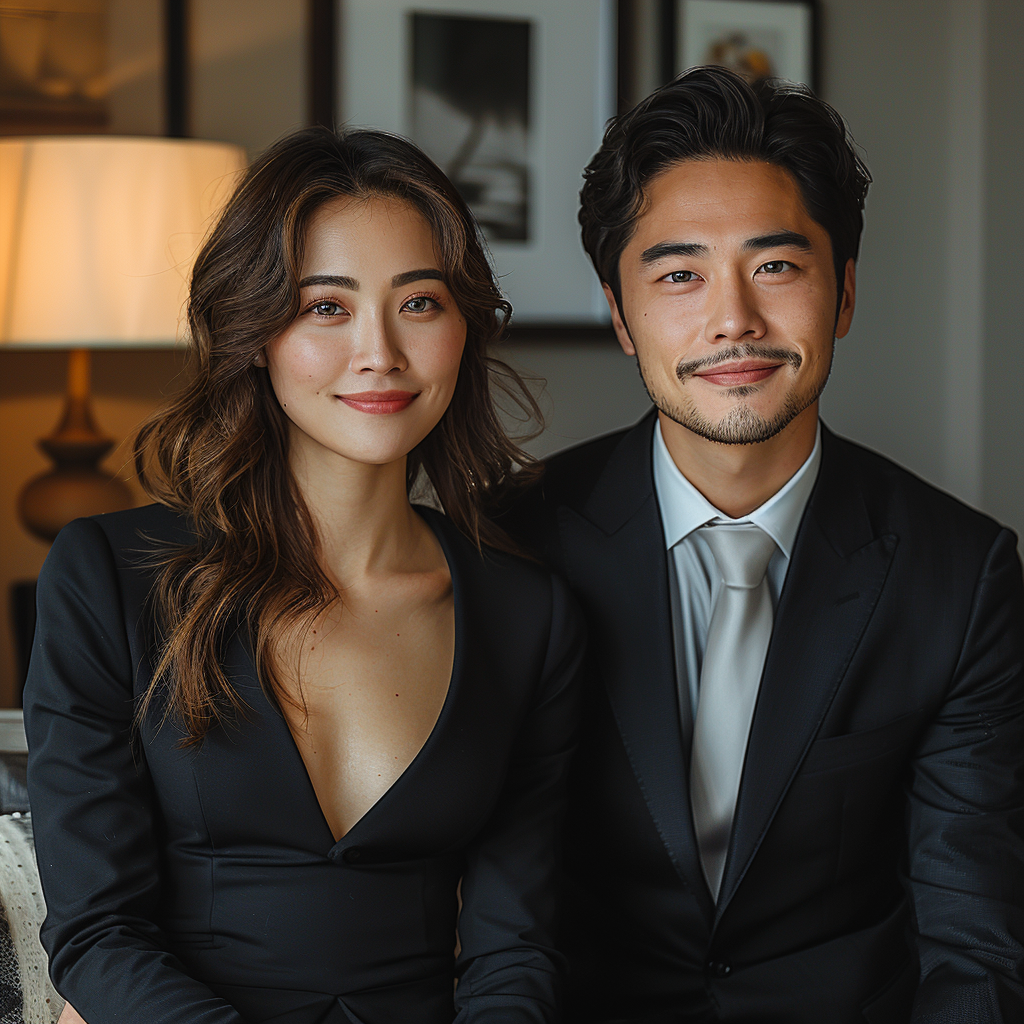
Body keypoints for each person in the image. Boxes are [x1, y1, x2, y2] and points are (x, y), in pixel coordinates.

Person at [498, 67, 1024, 1022]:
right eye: (680, 275)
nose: (733, 318)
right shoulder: (511, 543)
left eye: (776, 266)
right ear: (621, 314)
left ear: (846, 291)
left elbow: (974, 939)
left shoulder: (963, 572)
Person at [24, 126, 584, 1024]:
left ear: (462, 326)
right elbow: (97, 934)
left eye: (421, 303)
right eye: (327, 306)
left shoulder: (529, 613)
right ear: (255, 333)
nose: (379, 353)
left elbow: (514, 948)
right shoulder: (108, 577)